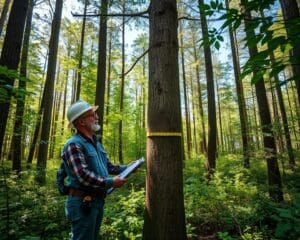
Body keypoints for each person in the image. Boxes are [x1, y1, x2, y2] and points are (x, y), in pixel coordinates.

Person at [59, 99, 127, 240]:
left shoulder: (95, 142)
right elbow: (82, 175)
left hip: (96, 202)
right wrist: (111, 182)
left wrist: (129, 167)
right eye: (92, 114)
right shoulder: (73, 145)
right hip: (81, 203)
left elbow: (109, 166)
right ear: (81, 122)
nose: (97, 117)